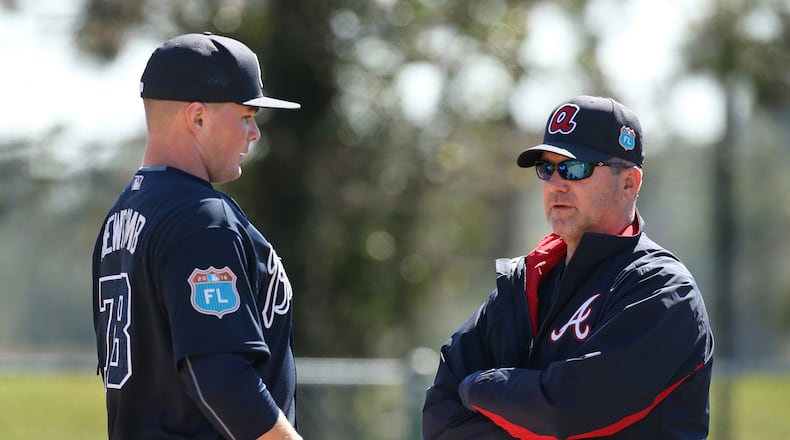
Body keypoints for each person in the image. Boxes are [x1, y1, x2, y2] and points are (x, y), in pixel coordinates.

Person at [422, 95, 714, 439]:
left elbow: (567, 412)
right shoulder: (524, 283)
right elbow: (440, 417)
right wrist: (520, 401)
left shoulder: (662, 290)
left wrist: (476, 387)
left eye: (576, 168)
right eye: (547, 168)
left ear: (629, 183)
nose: (556, 183)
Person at [92, 32, 303, 440]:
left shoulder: (122, 214)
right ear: (197, 117)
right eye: (245, 116)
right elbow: (221, 377)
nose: (254, 134)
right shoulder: (201, 218)